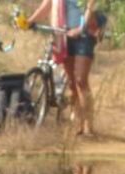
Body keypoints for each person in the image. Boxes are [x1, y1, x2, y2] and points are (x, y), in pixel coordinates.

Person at [22, 0, 99, 136]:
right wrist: (29, 21)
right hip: (62, 35)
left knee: (81, 80)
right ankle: (78, 122)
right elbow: (47, 5)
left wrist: (80, 29)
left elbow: (90, 8)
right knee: (72, 83)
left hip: (84, 35)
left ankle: (88, 125)